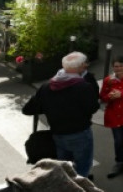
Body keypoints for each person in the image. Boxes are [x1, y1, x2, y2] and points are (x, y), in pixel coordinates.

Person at [22, 51, 100, 180]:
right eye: (85, 64)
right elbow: (93, 108)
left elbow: (28, 109)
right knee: (82, 166)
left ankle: (66, 184)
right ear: (80, 67)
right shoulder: (83, 87)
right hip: (80, 133)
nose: (86, 65)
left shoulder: (46, 86)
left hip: (58, 134)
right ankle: (79, 185)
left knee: (64, 165)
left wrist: (51, 108)